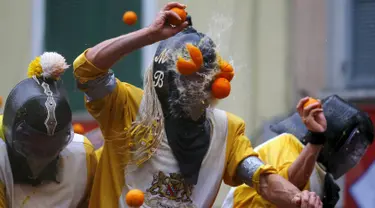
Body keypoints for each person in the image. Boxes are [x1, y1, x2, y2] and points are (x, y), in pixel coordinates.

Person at [73, 2, 322, 207]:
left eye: (199, 76)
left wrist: (299, 199)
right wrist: (150, 34)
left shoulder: (227, 131)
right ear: (164, 79)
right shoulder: (128, 107)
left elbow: (264, 180)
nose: (193, 85)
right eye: (185, 76)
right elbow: (87, 70)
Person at [222, 95, 374, 208]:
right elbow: (282, 188)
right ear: (334, 132)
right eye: (353, 147)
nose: (354, 156)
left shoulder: (322, 175)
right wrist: (317, 139)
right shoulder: (288, 144)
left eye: (358, 151)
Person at [0, 52, 97, 207]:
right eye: (34, 150)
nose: (40, 161)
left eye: (51, 150)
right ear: (12, 134)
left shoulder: (81, 156)